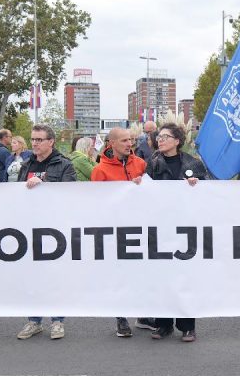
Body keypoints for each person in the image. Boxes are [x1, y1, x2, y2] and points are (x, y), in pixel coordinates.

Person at [145, 122, 208, 342]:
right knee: (162, 277)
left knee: (185, 277)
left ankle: (187, 326)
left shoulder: (194, 164)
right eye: (159, 137)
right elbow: (145, 193)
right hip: (161, 228)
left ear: (177, 141)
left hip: (186, 228)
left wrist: (196, 186)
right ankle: (163, 325)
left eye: (165, 136)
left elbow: (207, 193)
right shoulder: (152, 164)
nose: (160, 140)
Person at [14, 124, 75, 341]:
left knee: (55, 276)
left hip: (54, 229)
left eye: (40, 139)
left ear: (51, 142)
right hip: (29, 228)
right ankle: (34, 321)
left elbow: (70, 193)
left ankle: (57, 321)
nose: (35, 143)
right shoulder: (25, 164)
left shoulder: (64, 165)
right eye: (33, 139)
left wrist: (45, 183)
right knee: (32, 277)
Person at [90, 127, 147, 337]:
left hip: (140, 226)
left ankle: (143, 315)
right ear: (111, 144)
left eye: (130, 140)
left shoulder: (140, 164)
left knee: (141, 273)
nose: (129, 144)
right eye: (124, 140)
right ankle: (121, 318)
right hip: (115, 230)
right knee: (119, 275)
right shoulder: (100, 170)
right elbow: (97, 203)